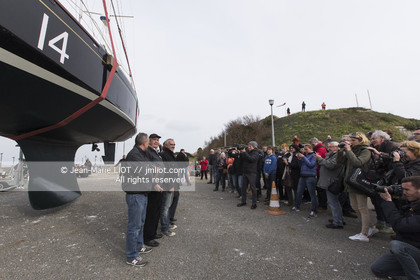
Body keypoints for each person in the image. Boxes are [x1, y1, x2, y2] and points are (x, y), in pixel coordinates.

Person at [371, 176, 420, 279]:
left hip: (413, 249)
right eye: (402, 189)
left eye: (407, 190)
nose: (404, 192)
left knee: (397, 246)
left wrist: (388, 202)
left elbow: (399, 226)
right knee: (377, 268)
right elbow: (398, 217)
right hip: (410, 248)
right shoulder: (412, 203)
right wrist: (396, 199)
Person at [337, 132, 376, 242]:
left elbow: (358, 162)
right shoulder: (352, 150)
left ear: (361, 140)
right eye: (351, 140)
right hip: (350, 182)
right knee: (355, 207)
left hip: (359, 182)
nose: (351, 142)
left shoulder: (365, 150)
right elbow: (339, 162)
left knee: (362, 208)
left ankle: (364, 234)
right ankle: (371, 227)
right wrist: (341, 151)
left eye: (353, 140)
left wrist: (349, 150)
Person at [122, 132, 153, 267]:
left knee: (140, 223)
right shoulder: (134, 155)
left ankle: (139, 246)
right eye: (148, 142)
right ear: (144, 143)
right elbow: (145, 171)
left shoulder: (141, 153)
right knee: (134, 226)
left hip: (142, 193)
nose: (150, 144)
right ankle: (131, 256)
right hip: (135, 195)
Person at [367, 130, 399, 234]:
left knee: (385, 201)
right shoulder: (376, 146)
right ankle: (381, 222)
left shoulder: (393, 146)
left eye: (374, 138)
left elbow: (395, 159)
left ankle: (389, 225)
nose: (372, 141)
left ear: (382, 138)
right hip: (378, 177)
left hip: (388, 178)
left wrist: (379, 154)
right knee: (376, 200)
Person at [315, 141, 345, 229]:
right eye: (328, 147)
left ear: (337, 147)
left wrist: (320, 158)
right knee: (335, 202)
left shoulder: (338, 156)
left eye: (331, 147)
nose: (329, 149)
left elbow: (331, 165)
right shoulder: (331, 155)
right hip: (329, 181)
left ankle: (337, 222)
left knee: (333, 202)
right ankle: (339, 218)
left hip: (332, 182)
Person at [143, 133, 164, 248]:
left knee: (156, 210)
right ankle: (148, 237)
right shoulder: (148, 152)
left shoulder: (157, 152)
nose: (156, 142)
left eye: (158, 140)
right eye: (154, 140)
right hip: (153, 186)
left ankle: (153, 232)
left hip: (159, 185)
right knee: (151, 212)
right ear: (149, 141)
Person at [291, 144, 318, 218]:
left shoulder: (314, 156)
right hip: (302, 176)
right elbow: (301, 166)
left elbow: (311, 165)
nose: (304, 151)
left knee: (312, 194)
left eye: (306, 149)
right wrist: (300, 160)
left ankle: (314, 210)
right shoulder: (305, 156)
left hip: (310, 176)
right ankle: (297, 206)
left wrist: (303, 158)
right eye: (304, 149)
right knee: (299, 192)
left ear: (310, 149)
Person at [159, 138, 179, 237]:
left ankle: (167, 224)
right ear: (166, 145)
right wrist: (170, 185)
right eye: (171, 144)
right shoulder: (164, 155)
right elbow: (165, 172)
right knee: (165, 207)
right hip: (167, 185)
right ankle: (164, 228)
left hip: (172, 184)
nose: (173, 146)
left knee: (168, 206)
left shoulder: (171, 155)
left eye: (174, 144)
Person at [237, 141, 260, 209]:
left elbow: (251, 159)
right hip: (245, 172)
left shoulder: (256, 152)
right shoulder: (247, 152)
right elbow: (242, 160)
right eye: (248, 146)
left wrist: (244, 153)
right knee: (243, 187)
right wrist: (241, 153)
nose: (248, 147)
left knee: (253, 188)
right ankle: (243, 201)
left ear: (254, 146)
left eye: (250, 146)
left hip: (252, 172)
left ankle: (254, 203)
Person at [309, 137, 328, 211]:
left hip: (321, 171)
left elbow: (316, 159)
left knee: (321, 189)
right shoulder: (319, 149)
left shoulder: (320, 149)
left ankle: (323, 205)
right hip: (319, 170)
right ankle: (322, 204)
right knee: (320, 189)